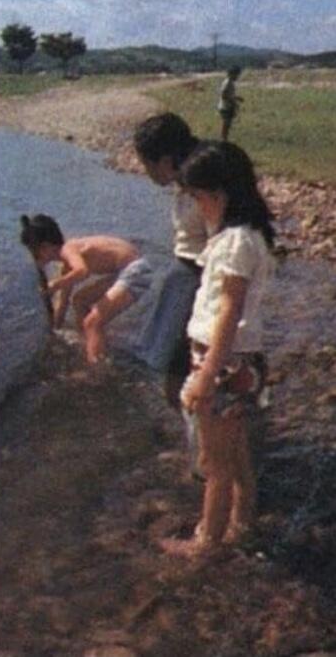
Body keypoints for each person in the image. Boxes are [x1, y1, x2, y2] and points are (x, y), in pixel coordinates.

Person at [162, 142, 275, 557]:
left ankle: (205, 544)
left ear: (219, 195)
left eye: (197, 197)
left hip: (222, 361)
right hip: (244, 360)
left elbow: (229, 309)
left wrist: (207, 375)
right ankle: (241, 524)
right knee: (238, 453)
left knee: (213, 463)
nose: (196, 207)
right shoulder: (251, 236)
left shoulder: (233, 244)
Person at [133, 113, 206, 414]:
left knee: (179, 369)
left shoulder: (201, 188)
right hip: (186, 274)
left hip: (195, 278)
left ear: (164, 161)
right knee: (174, 366)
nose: (146, 173)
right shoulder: (186, 182)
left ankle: (197, 429)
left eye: (147, 165)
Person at [20, 214, 152, 364]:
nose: (34, 258)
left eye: (34, 252)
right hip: (124, 270)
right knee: (79, 300)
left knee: (92, 322)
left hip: (135, 269)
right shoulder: (67, 265)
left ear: (45, 247)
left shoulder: (68, 249)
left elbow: (82, 271)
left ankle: (97, 366)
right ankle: (90, 342)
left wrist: (54, 285)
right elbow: (62, 303)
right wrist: (54, 329)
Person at [218, 66, 243, 141]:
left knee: (228, 124)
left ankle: (224, 138)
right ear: (232, 74)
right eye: (236, 75)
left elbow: (229, 94)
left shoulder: (230, 83)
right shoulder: (227, 83)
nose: (237, 77)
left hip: (228, 106)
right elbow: (223, 95)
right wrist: (232, 101)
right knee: (226, 124)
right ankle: (223, 139)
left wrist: (236, 98)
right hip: (225, 107)